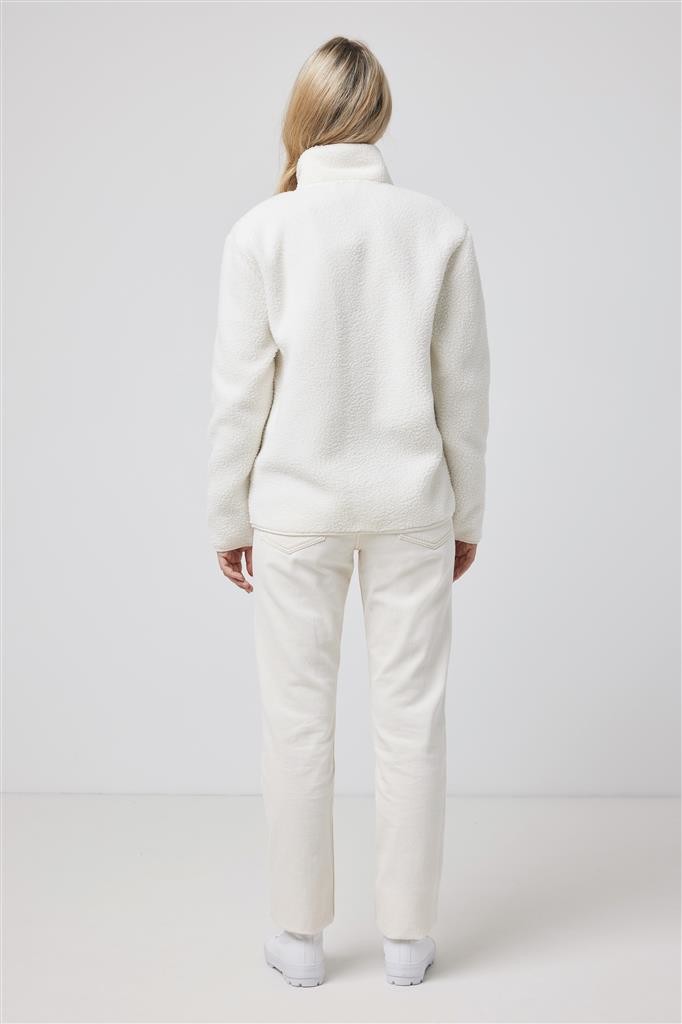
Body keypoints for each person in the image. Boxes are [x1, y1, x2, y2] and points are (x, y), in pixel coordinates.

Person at [208, 36, 490, 987]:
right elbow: (464, 390)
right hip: (412, 506)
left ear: (303, 114)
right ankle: (409, 942)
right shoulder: (436, 227)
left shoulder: (262, 232)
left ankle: (299, 939)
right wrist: (467, 513)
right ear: (380, 115)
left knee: (296, 722)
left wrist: (228, 518)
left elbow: (238, 396)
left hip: (296, 509)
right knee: (413, 722)